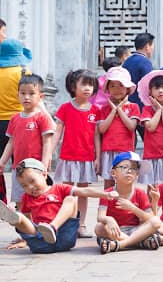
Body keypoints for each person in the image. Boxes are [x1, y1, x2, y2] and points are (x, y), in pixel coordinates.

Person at [0, 158, 117, 254]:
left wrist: (105, 194)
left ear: (44, 174)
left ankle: (52, 227)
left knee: (71, 198)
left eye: (32, 181)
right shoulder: (26, 197)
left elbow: (84, 191)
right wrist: (24, 239)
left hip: (64, 236)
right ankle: (13, 217)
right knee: (21, 218)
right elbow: (29, 222)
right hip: (41, 242)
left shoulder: (59, 189)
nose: (30, 187)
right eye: (24, 186)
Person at [52, 69, 100, 238]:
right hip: (68, 157)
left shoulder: (96, 110)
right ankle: (66, 224)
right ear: (73, 86)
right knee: (67, 192)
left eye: (91, 85)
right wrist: (49, 154)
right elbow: (57, 132)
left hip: (87, 158)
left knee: (83, 193)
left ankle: (81, 225)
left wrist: (98, 157)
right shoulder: (65, 108)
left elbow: (96, 136)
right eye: (84, 84)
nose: (88, 88)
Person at [0, 75, 55, 209]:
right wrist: (2, 162)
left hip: (36, 168)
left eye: (31, 93)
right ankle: (24, 220)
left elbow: (47, 142)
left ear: (40, 96)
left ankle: (38, 221)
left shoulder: (42, 118)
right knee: (20, 200)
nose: (27, 97)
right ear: (18, 95)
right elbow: (11, 143)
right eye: (23, 93)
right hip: (18, 169)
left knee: (38, 198)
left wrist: (44, 164)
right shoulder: (15, 118)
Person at [95, 151, 162, 253]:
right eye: (124, 167)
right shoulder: (108, 193)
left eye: (134, 168)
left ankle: (120, 244)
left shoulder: (140, 193)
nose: (129, 171)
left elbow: (150, 218)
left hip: (136, 230)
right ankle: (139, 242)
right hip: (116, 230)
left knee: (156, 222)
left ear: (137, 174)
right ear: (113, 173)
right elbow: (100, 217)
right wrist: (109, 219)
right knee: (99, 228)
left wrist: (132, 208)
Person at [0, 38, 32, 203]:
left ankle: (2, 201)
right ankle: (23, 200)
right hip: (20, 121)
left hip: (0, 123)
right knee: (21, 164)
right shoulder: (23, 72)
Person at [97, 67, 140, 189]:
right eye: (112, 86)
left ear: (127, 88)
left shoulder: (133, 107)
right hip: (108, 150)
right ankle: (106, 201)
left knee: (126, 182)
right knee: (108, 183)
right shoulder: (104, 108)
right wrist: (113, 111)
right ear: (108, 89)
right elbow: (102, 129)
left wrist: (119, 109)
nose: (116, 89)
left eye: (121, 85)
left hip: (125, 150)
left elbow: (131, 126)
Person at [122, 33, 155, 129]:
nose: (152, 49)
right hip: (142, 107)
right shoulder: (145, 62)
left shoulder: (127, 61)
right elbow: (149, 85)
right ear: (147, 46)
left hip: (127, 106)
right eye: (152, 46)